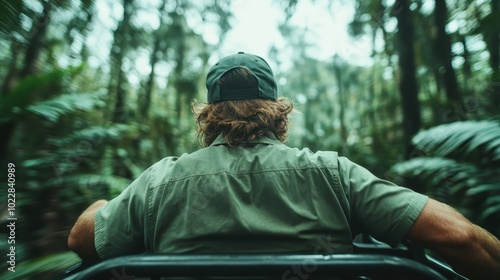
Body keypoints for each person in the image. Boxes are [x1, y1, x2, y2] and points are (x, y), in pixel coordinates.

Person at [68, 52, 500, 279]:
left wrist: (101, 206)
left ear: (208, 116)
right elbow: (459, 238)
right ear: (279, 112)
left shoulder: (160, 181)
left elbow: (83, 242)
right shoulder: (332, 173)